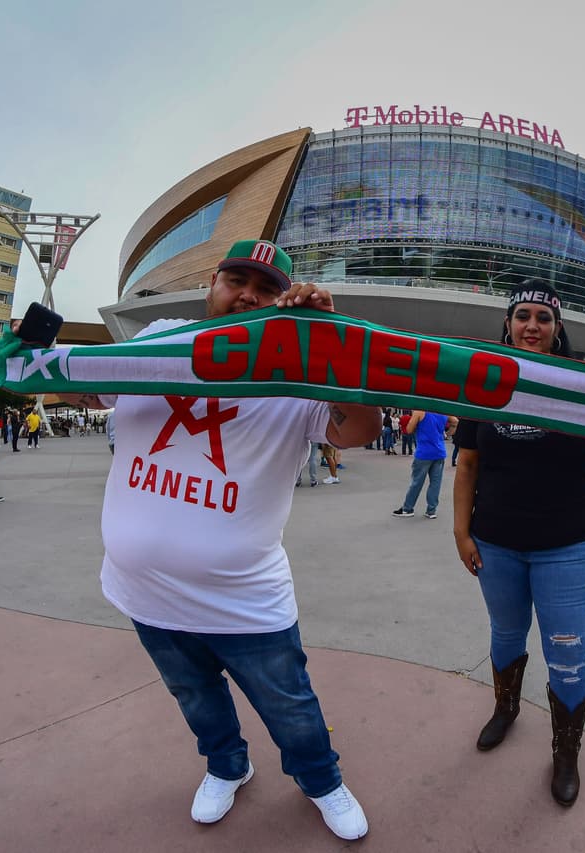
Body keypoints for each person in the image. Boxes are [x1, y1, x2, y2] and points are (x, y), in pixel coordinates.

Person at [80, 240, 380, 840]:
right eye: (237, 279)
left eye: (266, 289)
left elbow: (359, 432)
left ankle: (321, 780)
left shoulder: (299, 375)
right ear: (212, 282)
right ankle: (227, 766)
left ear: (281, 301)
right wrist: (32, 364)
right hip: (145, 593)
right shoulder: (161, 335)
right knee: (194, 695)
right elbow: (90, 389)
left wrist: (330, 341)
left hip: (245, 600)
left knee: (290, 707)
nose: (248, 294)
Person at [451, 280, 585, 807]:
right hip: (496, 543)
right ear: (507, 323)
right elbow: (468, 463)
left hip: (567, 544)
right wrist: (461, 531)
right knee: (506, 635)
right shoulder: (485, 383)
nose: (531, 326)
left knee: (567, 653)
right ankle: (506, 709)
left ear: (557, 329)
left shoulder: (583, 387)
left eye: (543, 319)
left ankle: (566, 751)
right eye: (522, 315)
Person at [391, 409, 456, 519]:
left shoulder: (420, 411)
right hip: (439, 452)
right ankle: (431, 511)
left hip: (424, 453)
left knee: (417, 482)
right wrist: (447, 433)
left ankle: (407, 509)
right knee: (435, 483)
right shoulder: (443, 411)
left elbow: (409, 429)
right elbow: (455, 421)